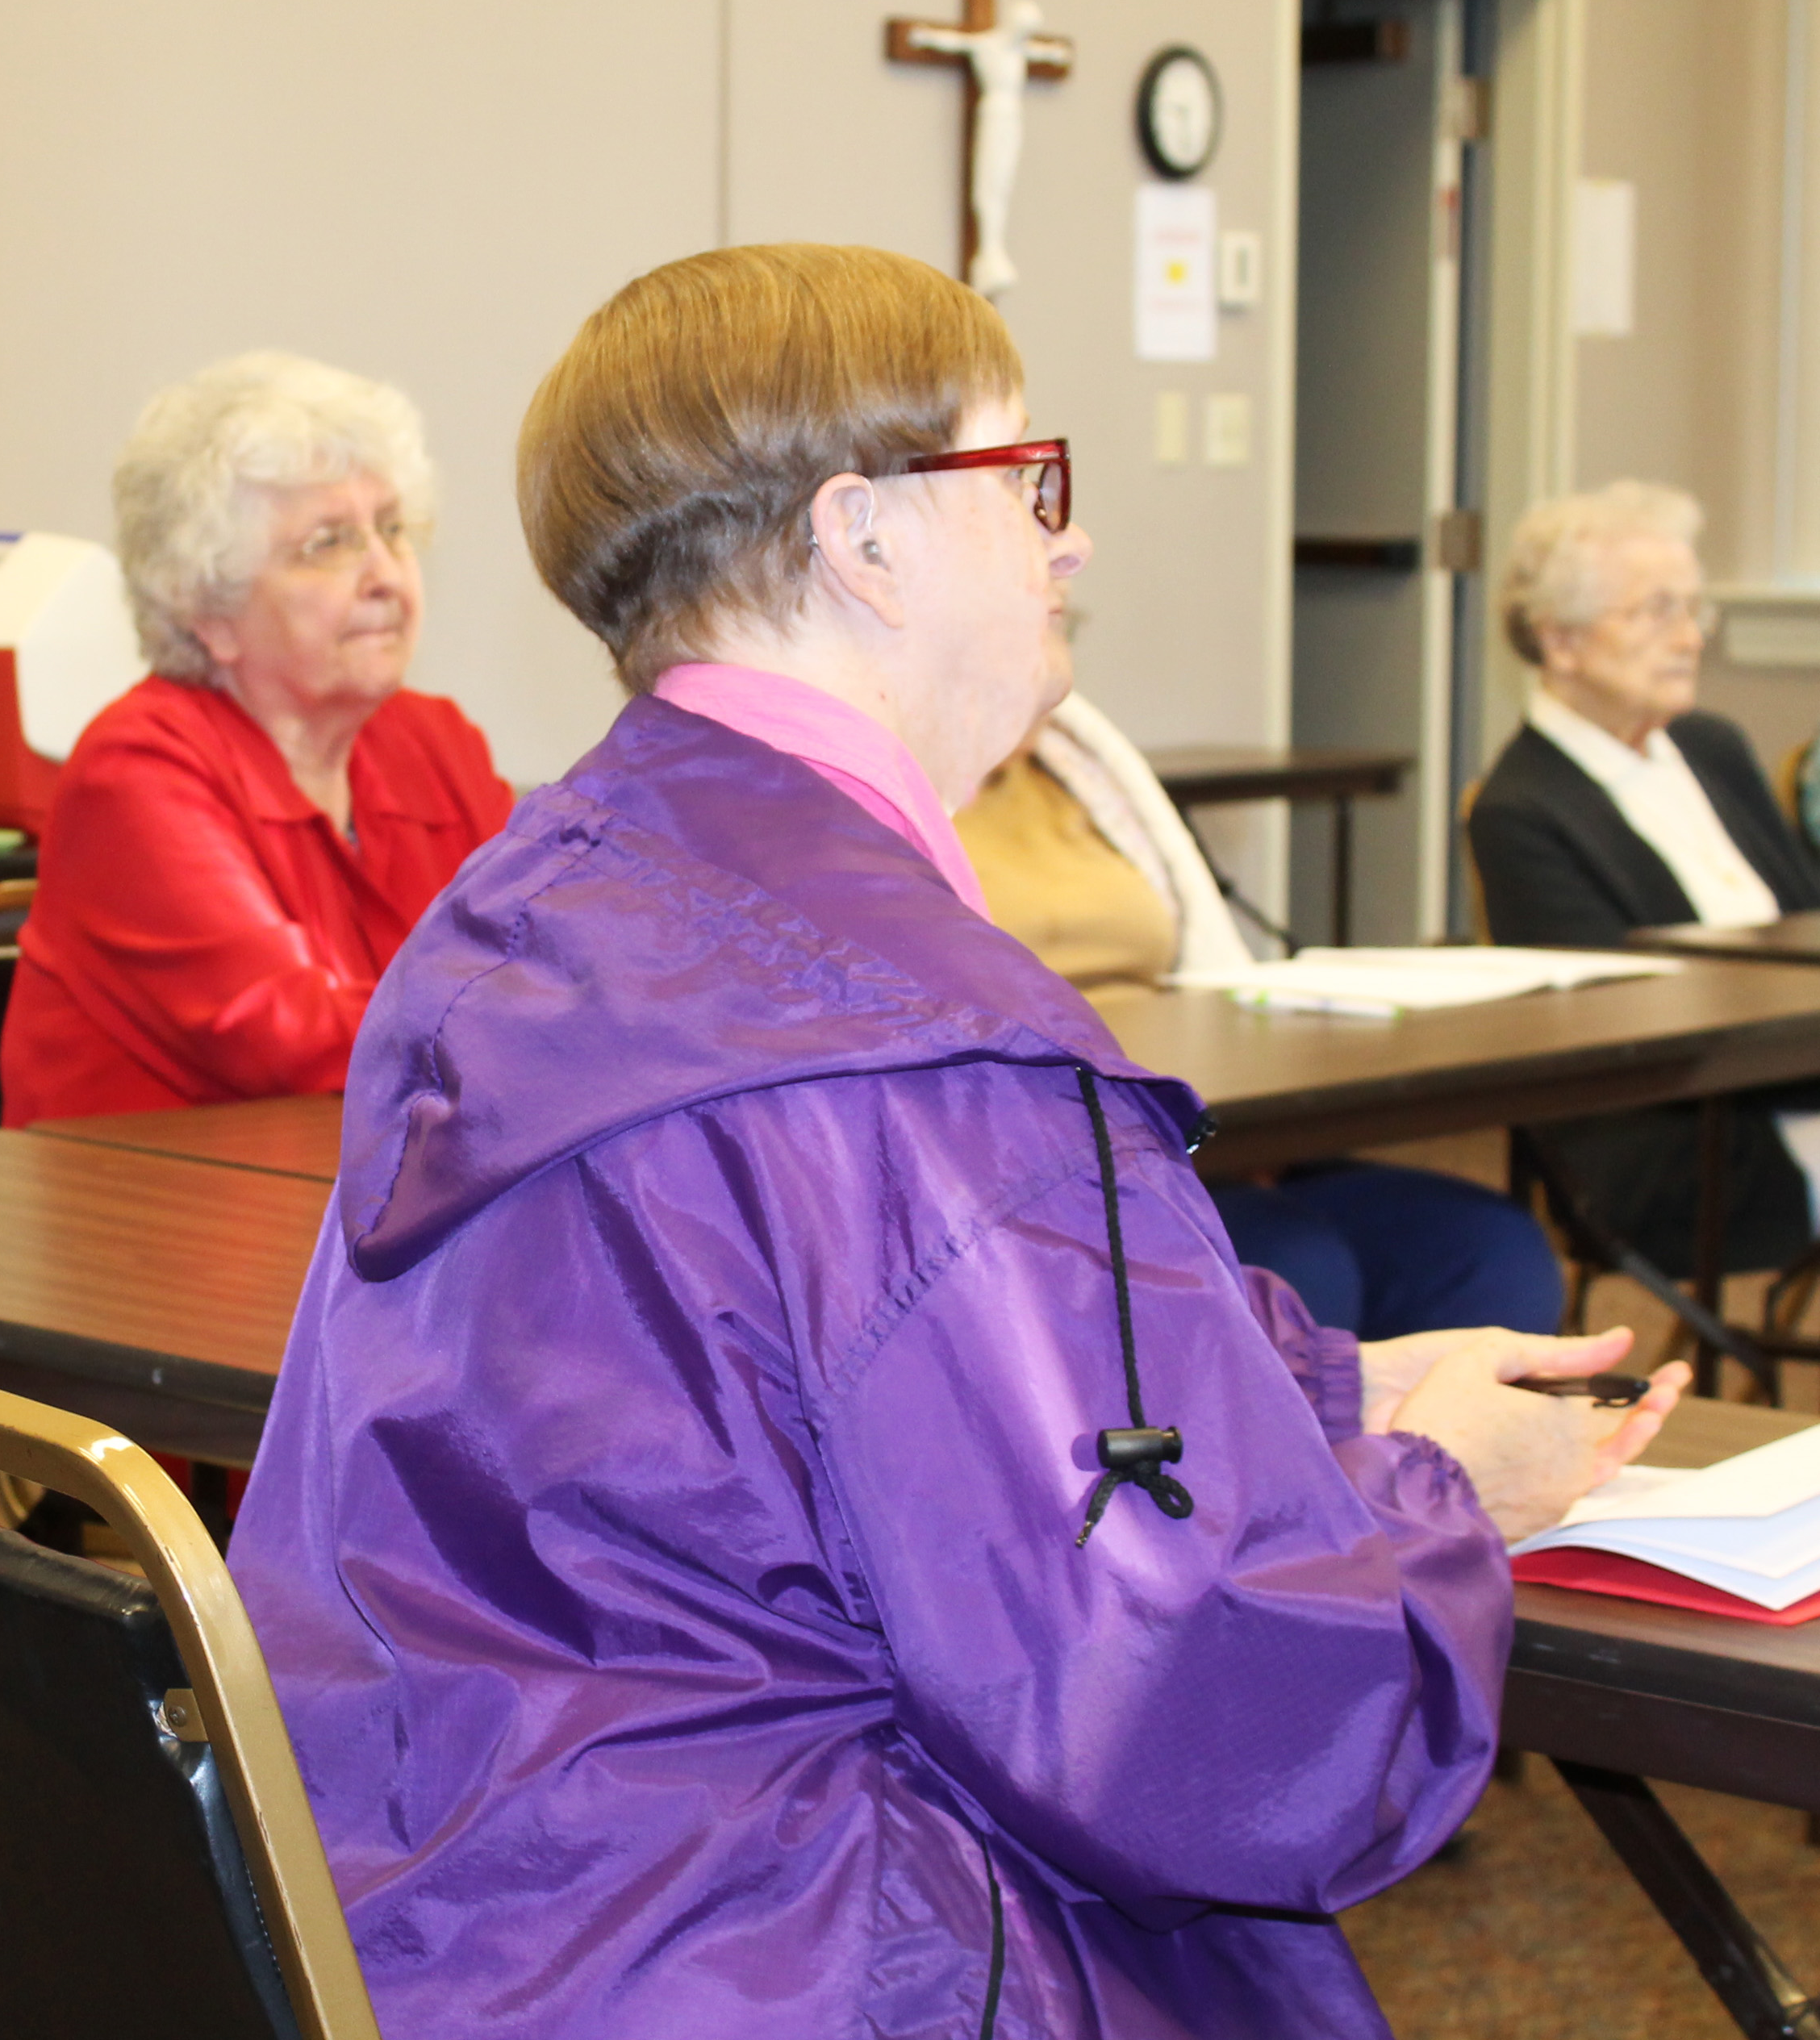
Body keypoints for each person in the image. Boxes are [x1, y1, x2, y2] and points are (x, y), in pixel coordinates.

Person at [228, 245, 1682, 2038]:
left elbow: (791, 1408)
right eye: (1028, 481)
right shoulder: (905, 1035)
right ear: (866, 538)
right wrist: (1437, 1489)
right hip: (784, 1945)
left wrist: (1310, 1391)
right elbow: (1184, 1714)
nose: (1068, 542)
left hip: (455, 1891)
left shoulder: (536, 900)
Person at [0, 353, 512, 1124]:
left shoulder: (435, 743)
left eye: (392, 528)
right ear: (208, 608)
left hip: (375, 1208)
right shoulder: (137, 768)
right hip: (159, 1222)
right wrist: (552, 1032)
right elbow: (289, 1043)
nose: (384, 573)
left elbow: (558, 960)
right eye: (328, 543)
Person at [959, 690, 1567, 1336]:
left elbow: (1201, 962)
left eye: (1064, 621)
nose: (1053, 654)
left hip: (1200, 1102)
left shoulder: (1081, 766)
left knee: (1491, 1250)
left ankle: (1425, 1442)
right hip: (1040, 1149)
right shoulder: (886, 791)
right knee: (1295, 1265)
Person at [1469, 481, 1820, 1275]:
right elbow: (1626, 1027)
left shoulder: (1709, 747)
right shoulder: (1521, 808)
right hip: (1688, 1139)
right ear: (1558, 639)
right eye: (1655, 611)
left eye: (1694, 610)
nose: (1688, 638)